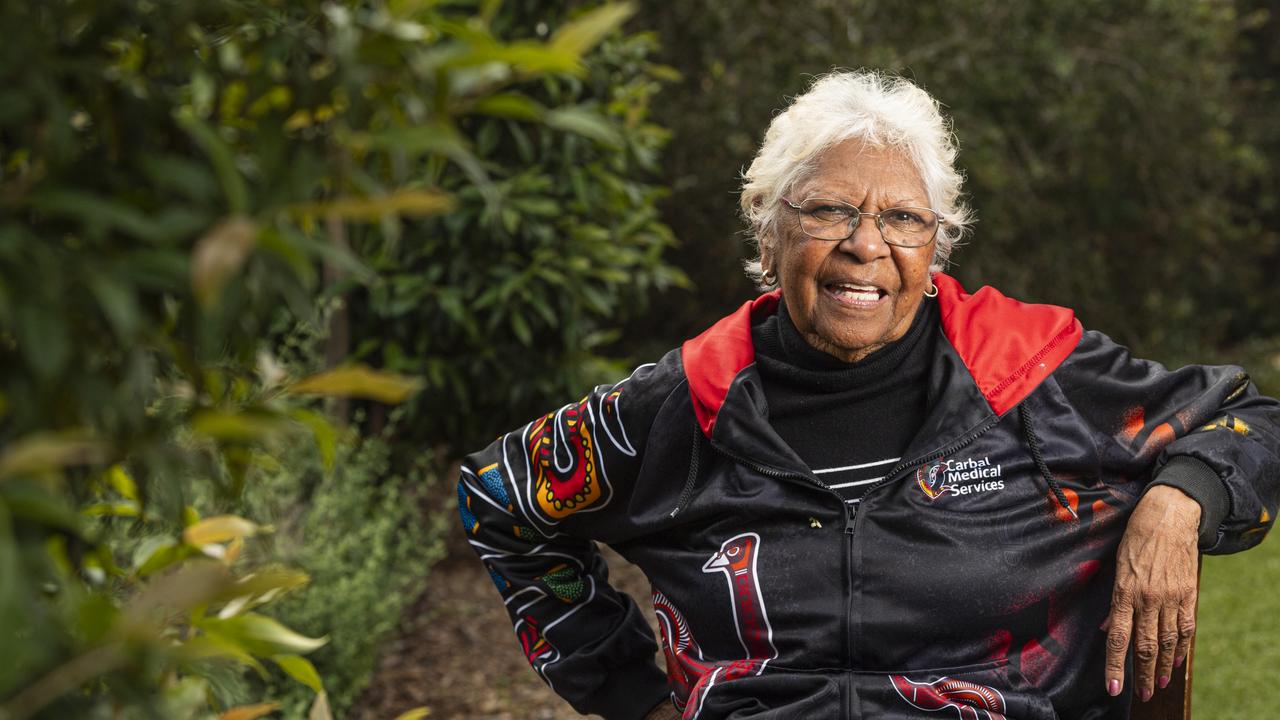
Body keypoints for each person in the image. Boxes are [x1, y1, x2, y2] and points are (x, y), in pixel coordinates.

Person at [456, 70, 1280, 719]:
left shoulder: (1032, 374)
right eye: (830, 211)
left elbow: (1254, 418)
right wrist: (634, 696)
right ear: (767, 226)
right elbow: (500, 502)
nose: (866, 246)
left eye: (903, 220)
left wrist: (1180, 500)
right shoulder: (685, 404)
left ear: (937, 246)